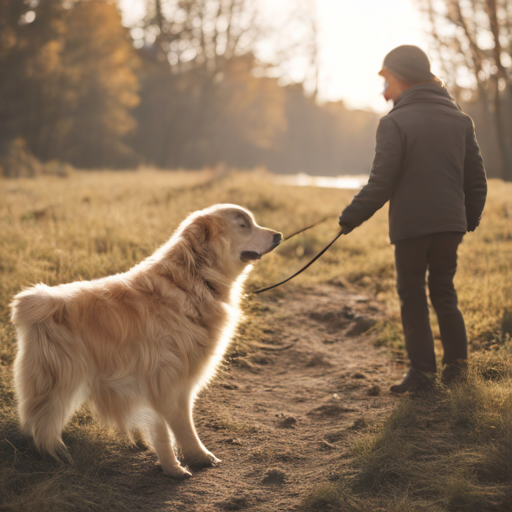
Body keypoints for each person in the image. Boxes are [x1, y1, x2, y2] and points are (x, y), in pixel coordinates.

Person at [338, 45, 487, 394]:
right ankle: (456, 373)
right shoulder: (460, 119)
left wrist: (349, 218)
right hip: (451, 225)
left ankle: (422, 376)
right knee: (444, 294)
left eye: (386, 80)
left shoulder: (394, 122)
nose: (383, 90)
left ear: (401, 77)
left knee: (413, 298)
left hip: (412, 228)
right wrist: (466, 219)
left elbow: (382, 182)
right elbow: (476, 180)